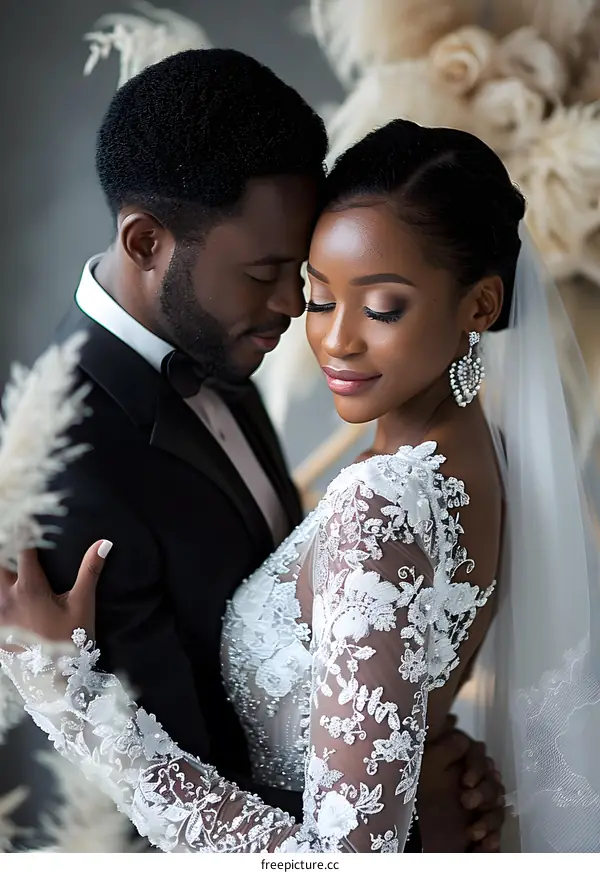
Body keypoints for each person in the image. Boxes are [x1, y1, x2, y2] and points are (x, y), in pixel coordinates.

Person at [2, 52, 503, 851]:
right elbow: (159, 806)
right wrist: (401, 813)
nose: (295, 314)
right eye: (274, 276)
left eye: (298, 277)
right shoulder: (66, 460)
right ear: (145, 242)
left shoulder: (226, 336)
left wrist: (400, 751)